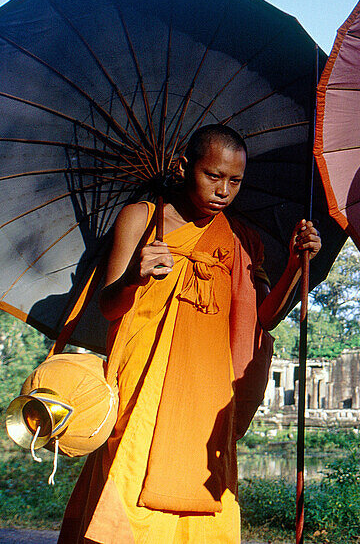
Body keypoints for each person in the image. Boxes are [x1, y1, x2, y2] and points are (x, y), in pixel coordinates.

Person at [59, 124, 321, 543]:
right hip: (145, 383)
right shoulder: (142, 218)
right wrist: (133, 276)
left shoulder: (242, 239)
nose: (224, 190)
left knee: (198, 481)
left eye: (235, 181)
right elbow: (110, 306)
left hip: (206, 391)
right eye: (213, 176)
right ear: (185, 167)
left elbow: (263, 319)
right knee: (132, 479)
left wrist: (293, 264)